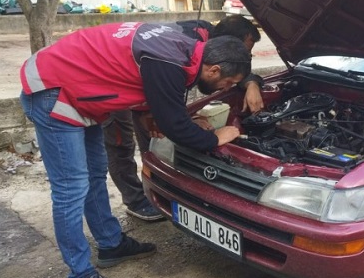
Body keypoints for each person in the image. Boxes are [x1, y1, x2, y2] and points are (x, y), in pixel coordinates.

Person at [19, 22, 251, 278]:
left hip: (81, 90)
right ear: (214, 70)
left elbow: (139, 78)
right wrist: (217, 136)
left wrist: (147, 116)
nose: (227, 89)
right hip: (55, 90)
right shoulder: (170, 61)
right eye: (228, 84)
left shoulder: (183, 49)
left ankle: (110, 243)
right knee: (71, 188)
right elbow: (176, 126)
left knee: (93, 175)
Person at [103, 16, 265, 221]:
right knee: (124, 143)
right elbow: (164, 93)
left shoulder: (209, 39)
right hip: (115, 84)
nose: (246, 56)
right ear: (227, 45)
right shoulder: (185, 44)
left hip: (149, 83)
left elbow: (233, 70)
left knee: (160, 129)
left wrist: (252, 84)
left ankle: (167, 188)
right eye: (244, 51)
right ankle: (138, 199)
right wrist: (191, 128)